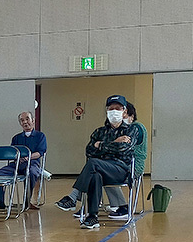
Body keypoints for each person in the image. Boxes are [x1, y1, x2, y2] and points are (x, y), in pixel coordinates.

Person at [55, 94, 135, 229]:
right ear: (106, 111)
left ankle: (73, 198)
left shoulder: (132, 130)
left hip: (120, 170)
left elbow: (123, 149)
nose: (114, 111)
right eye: (111, 108)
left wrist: (101, 145)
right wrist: (114, 143)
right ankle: (92, 217)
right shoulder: (99, 131)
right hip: (101, 169)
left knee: (93, 163)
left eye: (118, 108)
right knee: (95, 175)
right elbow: (89, 150)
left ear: (125, 111)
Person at [0, 111, 47, 211]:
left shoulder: (40, 136)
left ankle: (27, 202)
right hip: (16, 165)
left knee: (32, 173)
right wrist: (18, 157)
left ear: (33, 121)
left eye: (27, 119)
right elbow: (12, 153)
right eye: (22, 120)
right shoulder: (16, 138)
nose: (25, 122)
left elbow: (40, 152)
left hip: (32, 163)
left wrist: (28, 157)